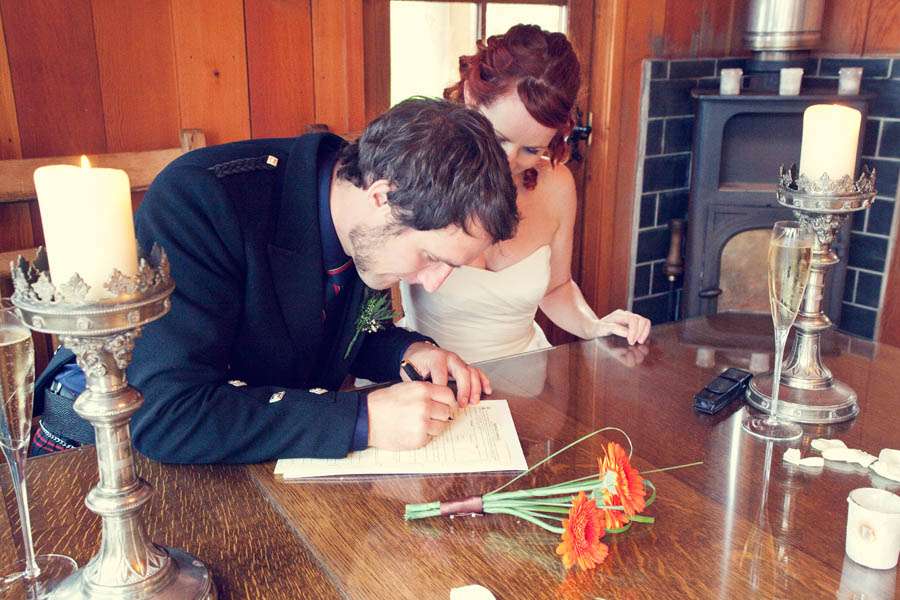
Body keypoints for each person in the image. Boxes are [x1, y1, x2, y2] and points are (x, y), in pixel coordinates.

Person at [31, 97, 519, 464]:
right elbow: (169, 414)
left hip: (237, 450)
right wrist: (363, 420)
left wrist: (408, 352)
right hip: (93, 447)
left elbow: (316, 332)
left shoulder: (360, 222)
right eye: (432, 257)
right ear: (382, 196)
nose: (433, 284)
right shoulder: (202, 199)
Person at [400, 25, 651, 365]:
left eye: (531, 149)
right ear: (471, 100)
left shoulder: (557, 186)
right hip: (428, 375)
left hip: (525, 375)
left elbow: (557, 288)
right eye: (498, 137)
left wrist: (595, 325)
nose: (507, 161)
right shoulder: (416, 175)